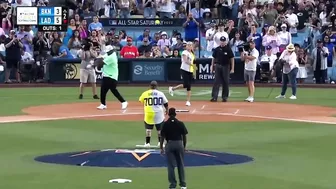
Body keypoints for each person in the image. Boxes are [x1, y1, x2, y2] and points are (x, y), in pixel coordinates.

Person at [160, 108, 188, 189]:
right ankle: (183, 184)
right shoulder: (180, 123)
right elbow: (184, 136)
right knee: (181, 165)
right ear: (175, 114)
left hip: (170, 144)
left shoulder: (165, 124)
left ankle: (173, 185)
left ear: (168, 114)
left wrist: (161, 147)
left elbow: (162, 137)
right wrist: (184, 146)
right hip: (179, 144)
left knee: (171, 166)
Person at [95, 46, 128, 110]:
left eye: (108, 51)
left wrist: (95, 62)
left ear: (112, 51)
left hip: (111, 76)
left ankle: (123, 102)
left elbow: (101, 63)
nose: (107, 52)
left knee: (113, 90)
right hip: (107, 75)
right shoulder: (108, 54)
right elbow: (100, 59)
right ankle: (103, 104)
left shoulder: (112, 57)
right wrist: (99, 58)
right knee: (103, 90)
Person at [139, 81, 169, 147]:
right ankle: (160, 143)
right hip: (159, 113)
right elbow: (165, 103)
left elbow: (141, 100)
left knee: (148, 129)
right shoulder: (160, 93)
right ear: (156, 86)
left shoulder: (145, 93)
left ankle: (147, 143)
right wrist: (167, 110)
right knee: (159, 129)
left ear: (150, 86)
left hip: (148, 113)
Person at [168, 42, 195, 106]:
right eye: (188, 45)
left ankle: (188, 101)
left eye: (190, 45)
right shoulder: (184, 52)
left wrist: (193, 69)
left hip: (190, 70)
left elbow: (193, 61)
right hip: (184, 69)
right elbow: (185, 61)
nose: (189, 46)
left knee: (189, 86)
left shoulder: (192, 54)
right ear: (186, 46)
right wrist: (192, 65)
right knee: (186, 84)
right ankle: (172, 88)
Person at [210, 36, 234, 102]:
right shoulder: (217, 49)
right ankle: (214, 97)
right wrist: (212, 67)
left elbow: (232, 58)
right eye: (221, 41)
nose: (222, 42)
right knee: (216, 82)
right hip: (218, 66)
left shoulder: (228, 49)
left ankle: (225, 97)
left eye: (224, 41)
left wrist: (232, 68)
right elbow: (213, 58)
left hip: (226, 66)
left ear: (225, 41)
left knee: (226, 82)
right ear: (220, 41)